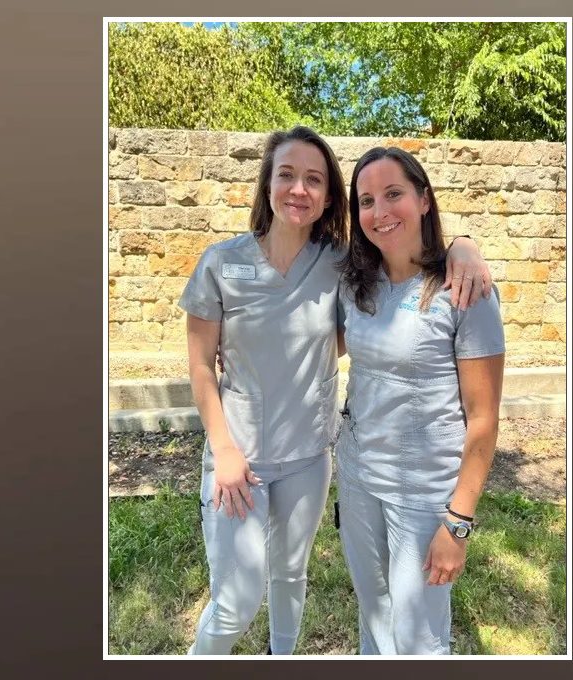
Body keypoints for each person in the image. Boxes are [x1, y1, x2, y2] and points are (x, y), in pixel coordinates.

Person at [176, 127, 493, 655]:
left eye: (314, 179)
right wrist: (224, 449)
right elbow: (199, 366)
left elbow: (375, 304)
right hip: (239, 460)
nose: (298, 189)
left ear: (327, 197)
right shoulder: (222, 264)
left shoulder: (339, 264)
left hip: (309, 458)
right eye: (286, 175)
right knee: (235, 601)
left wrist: (464, 245)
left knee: (291, 574)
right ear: (267, 183)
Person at [332, 146, 506, 655]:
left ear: (424, 199)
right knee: (374, 619)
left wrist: (458, 522)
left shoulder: (464, 290)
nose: (380, 212)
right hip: (359, 478)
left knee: (418, 641)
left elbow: (484, 419)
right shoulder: (356, 285)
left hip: (424, 495)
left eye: (394, 194)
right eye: (366, 201)